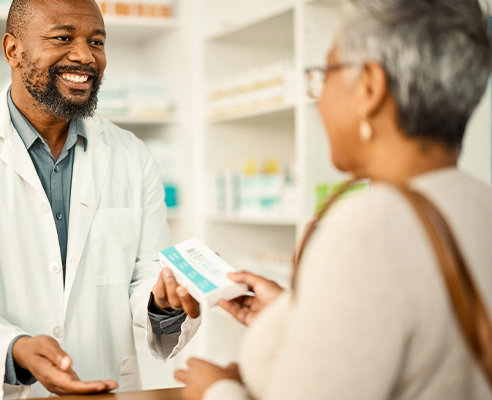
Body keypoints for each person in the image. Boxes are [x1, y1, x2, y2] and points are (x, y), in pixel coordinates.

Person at [175, 0, 492, 399]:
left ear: (371, 88)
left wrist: (216, 390)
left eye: (325, 72)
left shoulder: (369, 228)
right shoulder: (481, 204)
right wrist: (294, 315)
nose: (320, 95)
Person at [0, 0, 202, 399]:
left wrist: (162, 302)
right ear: (13, 50)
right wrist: (15, 349)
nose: (84, 55)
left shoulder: (132, 155)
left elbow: (144, 273)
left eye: (96, 41)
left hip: (105, 384)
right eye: (63, 37)